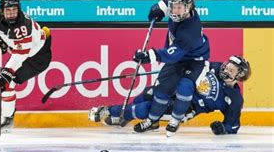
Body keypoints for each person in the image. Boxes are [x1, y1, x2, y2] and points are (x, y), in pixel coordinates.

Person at [123, 0, 210, 137]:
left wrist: (149, 55)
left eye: (179, 8)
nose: (174, 11)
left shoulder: (190, 30)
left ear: (188, 8)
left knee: (185, 87)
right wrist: (159, 8)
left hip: (195, 61)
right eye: (173, 7)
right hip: (177, 58)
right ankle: (152, 121)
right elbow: (165, 3)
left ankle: (176, 120)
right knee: (162, 89)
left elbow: (173, 54)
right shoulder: (177, 11)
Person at [89, 56, 251, 135]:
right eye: (228, 65)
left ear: (239, 76)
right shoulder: (213, 67)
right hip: (176, 90)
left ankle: (109, 111)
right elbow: (193, 66)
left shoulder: (234, 99)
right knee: (147, 94)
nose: (226, 69)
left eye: (232, 70)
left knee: (147, 108)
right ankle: (127, 117)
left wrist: (223, 129)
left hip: (185, 108)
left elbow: (233, 125)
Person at [0, 0, 52, 132]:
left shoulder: (24, 27)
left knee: (6, 82)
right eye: (8, 10)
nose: (12, 13)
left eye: (14, 10)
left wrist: (8, 71)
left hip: (36, 57)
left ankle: (7, 119)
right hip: (21, 53)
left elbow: (21, 55)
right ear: (2, 10)